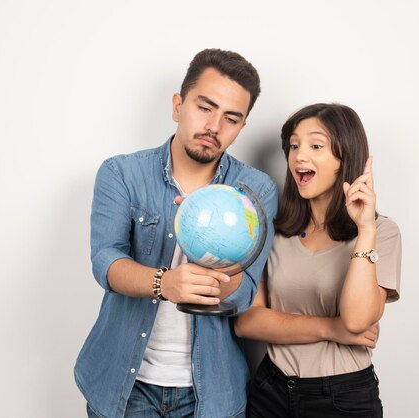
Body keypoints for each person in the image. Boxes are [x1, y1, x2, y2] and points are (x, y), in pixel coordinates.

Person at [74, 49, 278, 418]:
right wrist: (164, 283)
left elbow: (247, 290)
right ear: (177, 106)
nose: (214, 126)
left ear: (242, 127)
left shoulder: (254, 190)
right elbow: (106, 261)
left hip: (212, 391)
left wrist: (220, 272)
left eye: (231, 118)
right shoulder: (122, 173)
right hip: (124, 383)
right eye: (205, 107)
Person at [234, 103, 402, 418]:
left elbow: (356, 320)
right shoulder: (274, 230)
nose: (299, 156)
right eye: (294, 145)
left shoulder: (381, 231)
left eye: (315, 145)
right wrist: (330, 329)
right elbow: (247, 322)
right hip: (270, 390)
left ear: (344, 158)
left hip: (342, 397)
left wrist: (364, 230)